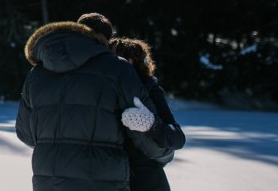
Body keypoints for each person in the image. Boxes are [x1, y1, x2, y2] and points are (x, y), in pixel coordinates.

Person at [15, 15, 172, 191]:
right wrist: (163, 151)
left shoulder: (36, 73)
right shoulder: (117, 67)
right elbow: (142, 136)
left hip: (49, 183)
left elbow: (25, 134)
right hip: (103, 181)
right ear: (106, 39)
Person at [109, 37, 185, 191]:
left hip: (146, 178)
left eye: (112, 59)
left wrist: (151, 124)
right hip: (112, 176)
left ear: (129, 62)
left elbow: (177, 138)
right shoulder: (103, 89)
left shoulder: (150, 89)